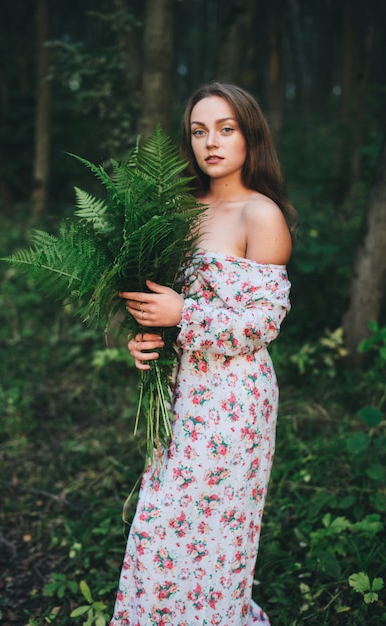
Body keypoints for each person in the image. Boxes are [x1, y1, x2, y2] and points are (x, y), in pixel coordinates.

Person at [110, 82, 298, 625]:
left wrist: (181, 317)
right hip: (179, 391)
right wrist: (147, 336)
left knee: (212, 539)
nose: (210, 142)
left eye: (225, 128)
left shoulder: (260, 216)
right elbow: (158, 302)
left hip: (234, 401)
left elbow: (263, 324)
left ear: (249, 134)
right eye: (198, 131)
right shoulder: (177, 210)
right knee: (160, 533)